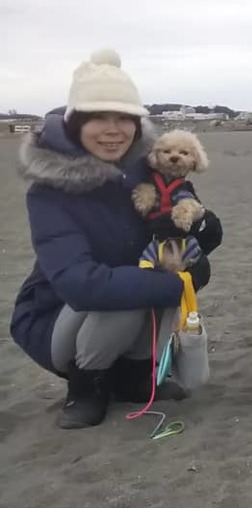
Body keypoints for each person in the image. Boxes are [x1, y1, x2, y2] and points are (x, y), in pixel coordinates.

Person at [10, 49, 222, 429]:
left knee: (155, 277)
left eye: (124, 118)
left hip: (125, 302)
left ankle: (136, 375)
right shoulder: (49, 191)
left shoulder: (150, 168)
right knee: (134, 291)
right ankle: (86, 386)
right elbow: (80, 284)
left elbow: (182, 233)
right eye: (98, 118)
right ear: (76, 124)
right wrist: (176, 285)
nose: (113, 129)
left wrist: (204, 234)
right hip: (60, 318)